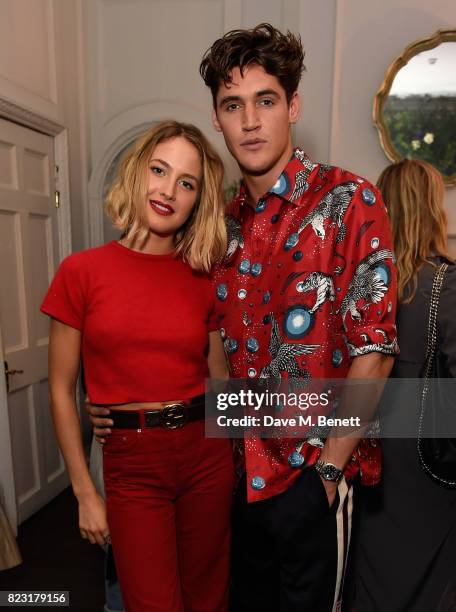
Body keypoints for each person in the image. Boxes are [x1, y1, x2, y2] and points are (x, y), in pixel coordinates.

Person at [89, 24, 398, 612]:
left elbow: (375, 350)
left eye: (265, 100)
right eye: (233, 105)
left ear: (293, 106)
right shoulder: (214, 228)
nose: (250, 121)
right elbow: (176, 332)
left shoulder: (348, 200)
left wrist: (328, 475)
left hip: (312, 475)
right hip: (229, 479)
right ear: (217, 118)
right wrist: (110, 399)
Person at [41, 120, 235, 612]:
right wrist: (85, 492)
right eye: (159, 170)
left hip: (204, 456)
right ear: (137, 172)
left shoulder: (200, 277)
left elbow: (219, 381)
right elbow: (62, 391)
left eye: (186, 183)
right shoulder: (81, 273)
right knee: (150, 602)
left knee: (208, 599)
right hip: (131, 463)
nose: (168, 191)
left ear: (197, 199)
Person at [353, 159, 456, 612]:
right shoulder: (447, 288)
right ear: (431, 210)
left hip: (370, 457)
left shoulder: (360, 288)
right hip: (429, 465)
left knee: (372, 580)